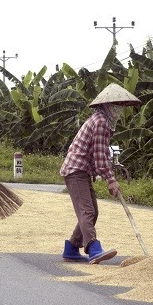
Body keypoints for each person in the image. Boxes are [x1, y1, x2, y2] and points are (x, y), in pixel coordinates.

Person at [60, 83, 141, 264]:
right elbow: (100, 156)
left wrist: (106, 177)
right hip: (76, 170)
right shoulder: (101, 123)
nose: (119, 110)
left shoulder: (100, 120)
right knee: (87, 210)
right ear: (106, 105)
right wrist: (111, 180)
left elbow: (100, 154)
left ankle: (72, 247)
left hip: (81, 170)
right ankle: (93, 247)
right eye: (116, 106)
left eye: (121, 106)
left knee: (92, 211)